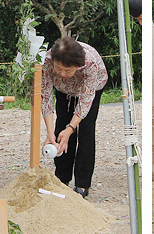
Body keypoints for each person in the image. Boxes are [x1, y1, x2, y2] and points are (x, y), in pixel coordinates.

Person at [41, 36, 107, 198]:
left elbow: (85, 101)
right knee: (60, 128)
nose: (62, 73)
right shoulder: (47, 61)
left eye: (68, 70)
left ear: (78, 66)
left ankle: (82, 183)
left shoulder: (91, 63)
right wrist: (50, 133)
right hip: (64, 90)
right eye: (59, 69)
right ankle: (62, 178)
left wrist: (71, 128)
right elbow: (46, 96)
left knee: (85, 131)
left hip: (92, 88)